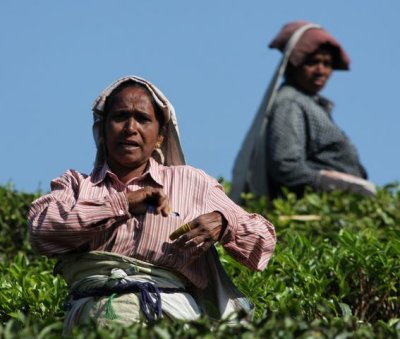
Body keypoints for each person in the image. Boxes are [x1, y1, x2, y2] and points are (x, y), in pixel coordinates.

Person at [28, 76, 276, 335]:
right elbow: (42, 231)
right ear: (102, 130)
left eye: (143, 119)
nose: (130, 128)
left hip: (170, 319)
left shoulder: (192, 183)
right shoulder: (75, 185)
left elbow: (263, 243)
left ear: (160, 136)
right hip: (92, 319)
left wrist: (224, 222)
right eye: (120, 116)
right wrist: (123, 203)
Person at [231, 21, 376, 202]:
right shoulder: (290, 103)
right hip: (314, 209)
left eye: (327, 64)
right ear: (294, 64)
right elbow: (286, 166)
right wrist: (328, 182)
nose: (320, 71)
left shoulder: (312, 104)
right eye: (313, 62)